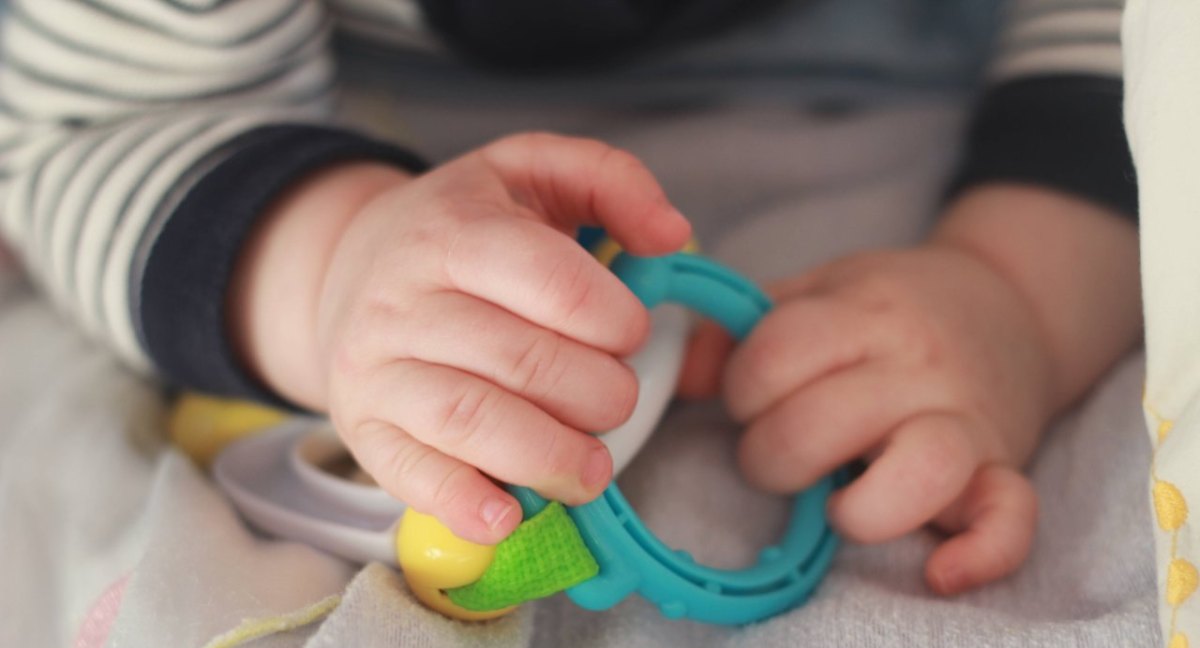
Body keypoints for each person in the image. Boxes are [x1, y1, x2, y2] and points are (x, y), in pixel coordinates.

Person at [0, 0, 1137, 595]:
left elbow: (1140, 47)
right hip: (340, 110)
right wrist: (335, 264)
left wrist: (1016, 293)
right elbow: (90, 132)